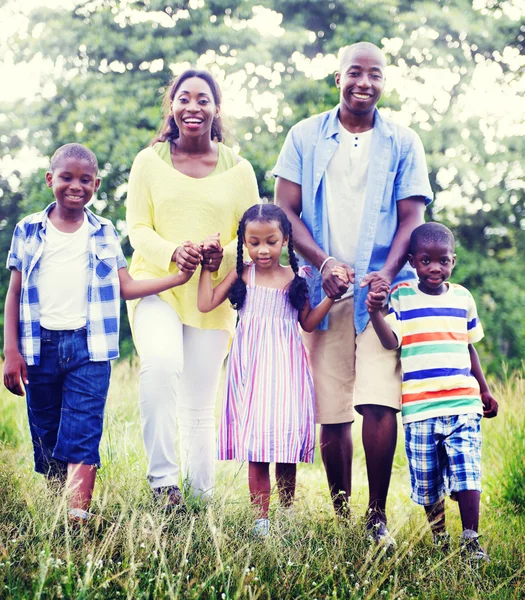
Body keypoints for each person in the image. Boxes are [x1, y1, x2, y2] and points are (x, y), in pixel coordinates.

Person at [274, 41, 434, 543]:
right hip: (324, 290)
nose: (364, 83)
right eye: (355, 73)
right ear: (337, 78)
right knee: (332, 410)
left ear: (384, 82)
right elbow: (285, 213)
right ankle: (343, 517)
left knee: (379, 403)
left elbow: (413, 218)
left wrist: (385, 275)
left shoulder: (404, 141)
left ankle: (376, 516)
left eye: (375, 75)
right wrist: (323, 263)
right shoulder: (304, 136)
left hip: (383, 292)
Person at [3, 143, 195, 523]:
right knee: (47, 429)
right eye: (66, 178)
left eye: (85, 180)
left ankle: (77, 517)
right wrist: (11, 350)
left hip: (90, 348)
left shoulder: (104, 231)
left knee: (83, 428)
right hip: (39, 346)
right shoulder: (28, 229)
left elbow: (125, 285)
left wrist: (177, 277)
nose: (76, 186)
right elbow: (15, 291)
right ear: (50, 180)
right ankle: (57, 503)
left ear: (97, 184)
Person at [125, 69, 260, 509]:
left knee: (201, 404)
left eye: (204, 100)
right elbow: (137, 228)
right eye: (185, 99)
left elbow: (252, 231)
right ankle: (164, 485)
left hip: (211, 295)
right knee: (162, 366)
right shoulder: (149, 161)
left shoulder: (239, 169)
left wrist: (218, 252)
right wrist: (173, 253)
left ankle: (201, 498)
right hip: (158, 285)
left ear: (216, 109)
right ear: (172, 107)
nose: (193, 107)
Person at [198, 203, 346, 536]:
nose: (263, 249)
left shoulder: (297, 277)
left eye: (271, 241)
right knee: (257, 444)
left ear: (285, 240)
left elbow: (307, 323)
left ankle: (288, 510)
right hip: (251, 368)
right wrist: (208, 269)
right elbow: (205, 303)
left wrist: (331, 299)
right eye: (254, 242)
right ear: (244, 243)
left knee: (284, 442)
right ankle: (260, 520)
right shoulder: (243, 273)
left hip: (287, 368)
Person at [366, 222, 498, 560]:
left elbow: (469, 348)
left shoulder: (463, 298)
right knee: (427, 482)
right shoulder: (403, 297)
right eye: (426, 261)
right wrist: (375, 314)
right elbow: (391, 341)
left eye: (443, 261)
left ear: (453, 261)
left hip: (461, 402)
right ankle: (439, 537)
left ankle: (471, 540)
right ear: (412, 261)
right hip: (420, 408)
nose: (435, 268)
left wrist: (483, 389)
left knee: (468, 468)